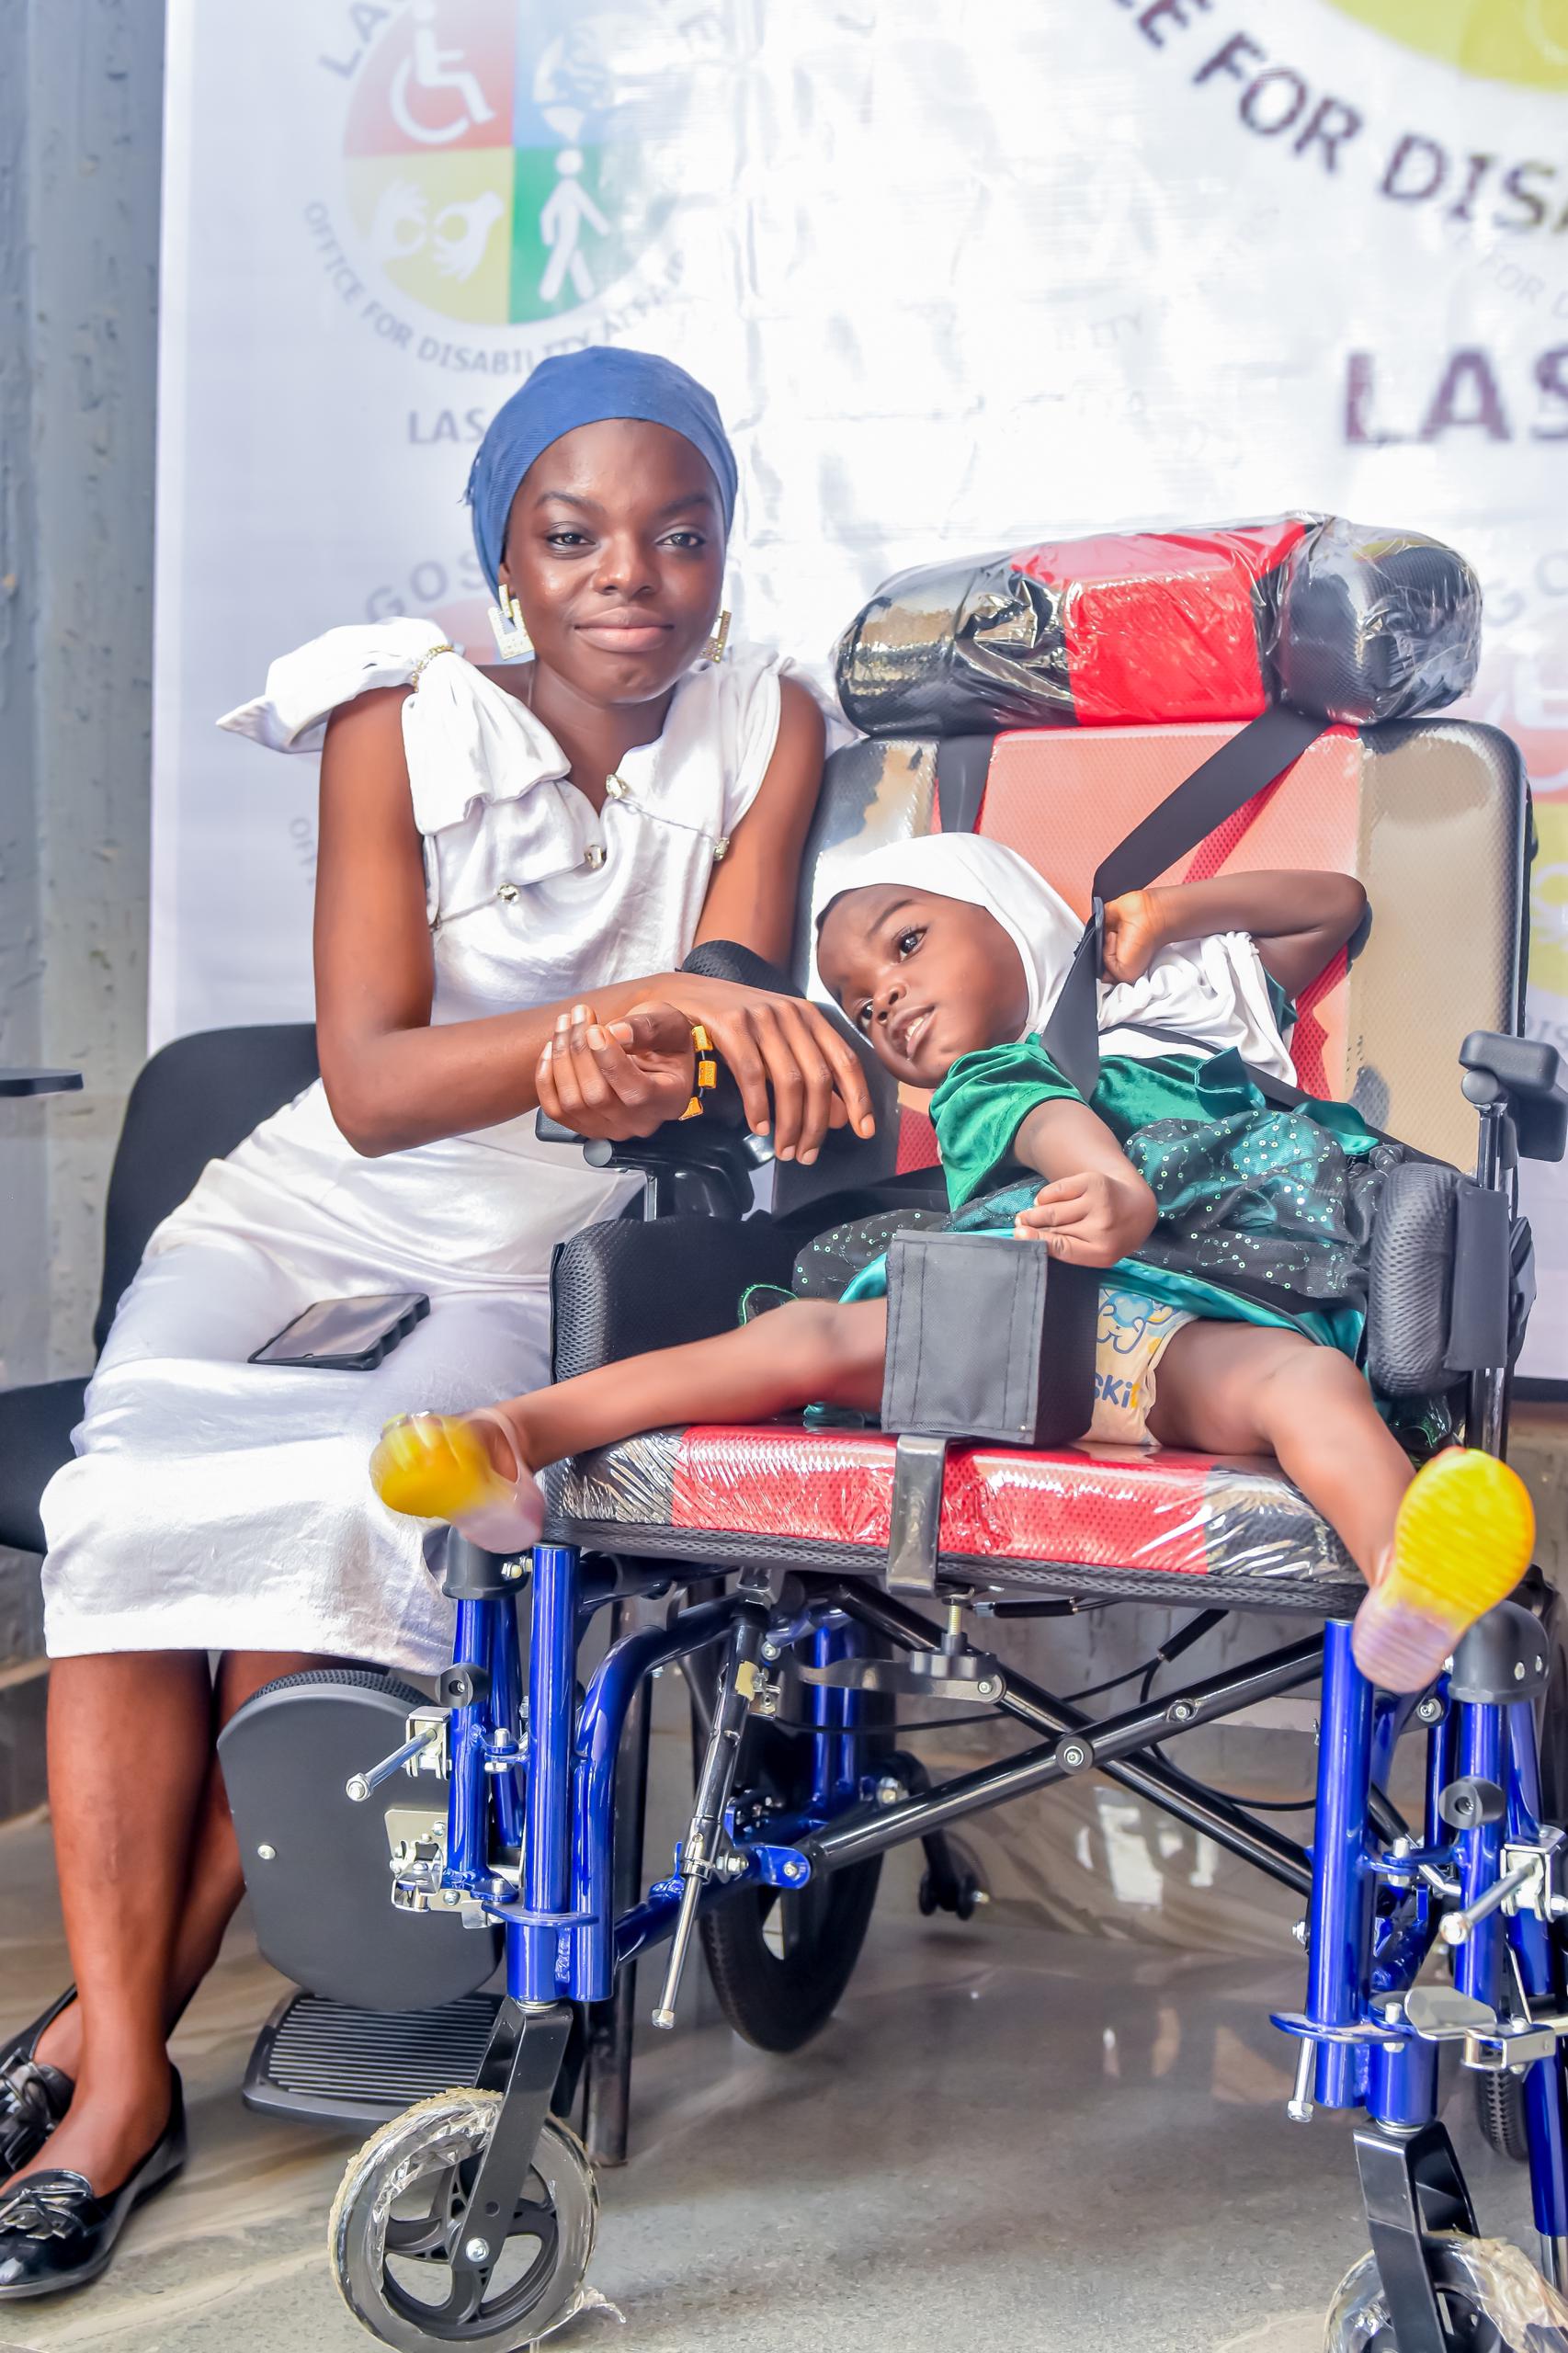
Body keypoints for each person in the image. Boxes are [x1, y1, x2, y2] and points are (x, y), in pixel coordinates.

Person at [0, 347, 873, 2299]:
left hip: (524, 1255)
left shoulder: (769, 719)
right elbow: (379, 1081)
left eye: (677, 533)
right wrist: (632, 1022)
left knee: (349, 1503)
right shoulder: (394, 718)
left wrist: (668, 1038)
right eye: (574, 535)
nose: (629, 574)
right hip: (298, 1213)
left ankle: (99, 2033)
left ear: (722, 553)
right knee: (121, 1514)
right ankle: (121, 2080)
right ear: (507, 561)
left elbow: (731, 992)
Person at [371, 833, 1535, 1700]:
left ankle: (1405, 1579)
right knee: (803, 1337)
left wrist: (1171, 911)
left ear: (1007, 909)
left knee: (1303, 1384)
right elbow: (1046, 1121)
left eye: (906, 942)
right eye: (859, 1003)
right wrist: (1112, 1180)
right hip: (999, 1321)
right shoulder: (991, 1074)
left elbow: (1332, 903)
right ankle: (507, 1439)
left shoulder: (1195, 993)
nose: (883, 998)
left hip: (1185, 1332)